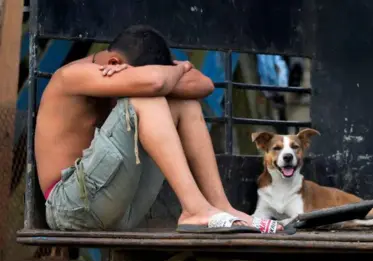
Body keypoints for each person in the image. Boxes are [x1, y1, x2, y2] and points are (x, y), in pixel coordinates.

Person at [35, 24, 283, 234]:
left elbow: (204, 85)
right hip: (70, 206)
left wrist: (167, 74)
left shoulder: (125, 66)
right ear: (113, 62)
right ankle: (194, 210)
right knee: (146, 98)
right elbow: (154, 82)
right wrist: (179, 69)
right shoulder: (71, 76)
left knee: (183, 102)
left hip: (120, 209)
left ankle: (220, 206)